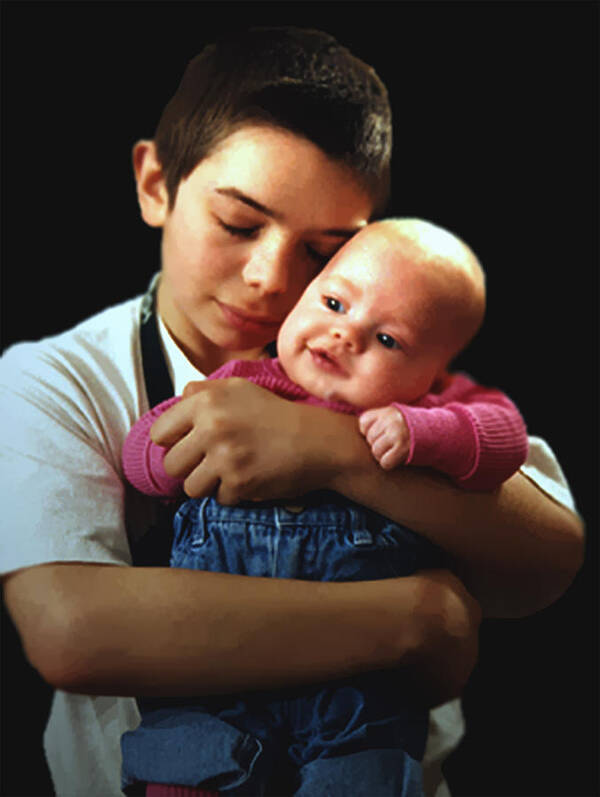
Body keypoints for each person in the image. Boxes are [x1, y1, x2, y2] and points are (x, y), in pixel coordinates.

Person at [0, 27, 582, 797]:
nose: (271, 278)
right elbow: (72, 629)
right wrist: (416, 617)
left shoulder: (397, 366)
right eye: (239, 224)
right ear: (154, 185)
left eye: (324, 252)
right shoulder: (54, 377)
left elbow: (548, 553)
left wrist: (330, 446)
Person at [119, 217, 529, 795]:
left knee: (365, 773)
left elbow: (504, 438)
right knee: (187, 758)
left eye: (388, 340)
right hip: (220, 664)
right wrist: (167, 460)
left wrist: (424, 432)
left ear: (434, 375)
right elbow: (142, 452)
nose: (344, 336)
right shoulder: (242, 385)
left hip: (358, 686)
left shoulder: (425, 411)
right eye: (334, 302)